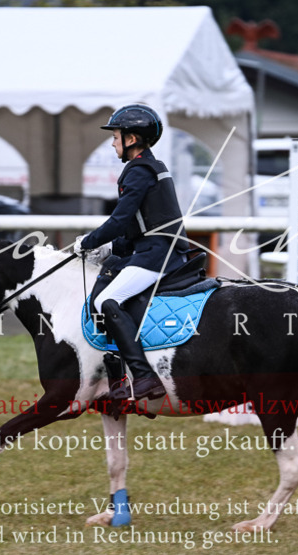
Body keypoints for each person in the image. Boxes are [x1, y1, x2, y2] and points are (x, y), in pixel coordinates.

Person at [76, 104, 188, 401]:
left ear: (132, 138)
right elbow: (141, 224)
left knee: (106, 300)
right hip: (157, 248)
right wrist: (111, 247)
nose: (113, 143)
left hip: (156, 254)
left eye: (116, 137)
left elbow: (120, 220)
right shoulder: (154, 166)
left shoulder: (137, 170)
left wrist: (87, 242)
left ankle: (143, 377)